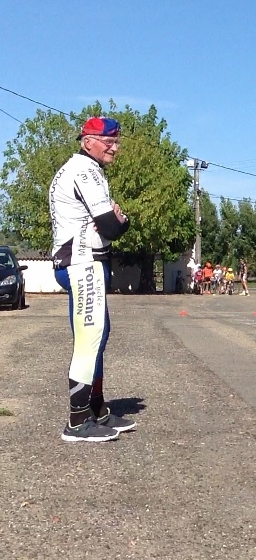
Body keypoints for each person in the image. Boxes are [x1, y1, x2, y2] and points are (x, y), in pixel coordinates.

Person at [48, 116, 137, 442]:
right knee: (89, 340)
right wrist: (121, 220)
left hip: (82, 262)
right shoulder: (85, 171)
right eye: (108, 141)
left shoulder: (79, 168)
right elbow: (112, 227)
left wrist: (113, 221)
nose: (115, 146)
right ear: (88, 143)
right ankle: (76, 423)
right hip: (82, 263)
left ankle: (97, 411)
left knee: (99, 335)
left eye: (117, 140)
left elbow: (107, 225)